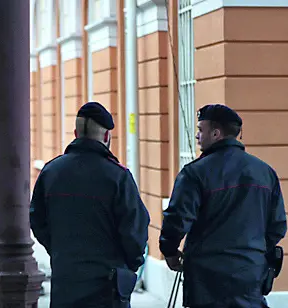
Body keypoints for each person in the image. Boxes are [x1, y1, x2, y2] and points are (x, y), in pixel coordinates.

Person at [159, 104, 287, 308]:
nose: (197, 136)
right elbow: (278, 225)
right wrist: (252, 253)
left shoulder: (194, 174)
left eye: (201, 130)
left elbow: (177, 220)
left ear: (216, 133)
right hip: (249, 275)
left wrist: (170, 252)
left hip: (206, 279)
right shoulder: (265, 172)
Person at [30, 102, 150, 307]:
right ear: (106, 137)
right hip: (107, 286)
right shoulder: (118, 177)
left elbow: (37, 220)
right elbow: (135, 231)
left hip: (66, 281)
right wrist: (130, 264)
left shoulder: (51, 172)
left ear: (76, 133)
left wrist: (59, 251)